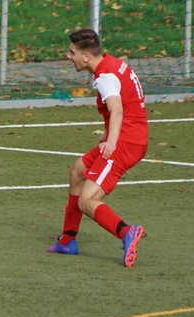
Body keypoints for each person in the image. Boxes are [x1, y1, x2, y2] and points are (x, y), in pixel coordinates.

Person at [48, 27, 147, 267]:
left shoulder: (105, 77)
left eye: (72, 53)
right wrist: (108, 132)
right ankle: (67, 240)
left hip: (125, 143)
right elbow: (129, 102)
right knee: (77, 170)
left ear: (86, 57)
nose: (68, 56)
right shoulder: (113, 64)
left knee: (87, 200)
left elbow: (117, 110)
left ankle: (126, 232)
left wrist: (112, 141)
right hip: (127, 136)